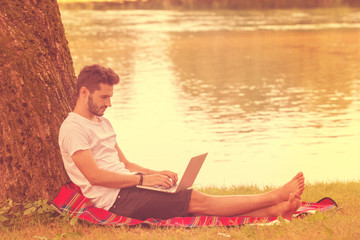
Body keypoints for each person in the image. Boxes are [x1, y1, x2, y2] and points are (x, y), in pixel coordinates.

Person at [59, 64, 305, 221]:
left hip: (130, 186)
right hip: (117, 200)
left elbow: (124, 163)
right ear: (84, 92)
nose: (109, 104)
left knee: (195, 200)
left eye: (110, 97)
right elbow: (95, 177)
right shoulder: (73, 129)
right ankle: (274, 197)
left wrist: (156, 174)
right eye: (104, 97)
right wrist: (143, 181)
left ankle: (275, 212)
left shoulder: (103, 123)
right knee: (200, 201)